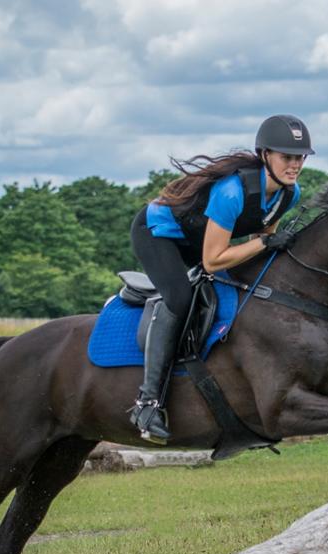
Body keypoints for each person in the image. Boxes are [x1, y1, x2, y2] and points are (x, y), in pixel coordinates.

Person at [128, 114, 313, 443]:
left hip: (200, 238)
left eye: (299, 157)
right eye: (287, 157)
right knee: (181, 297)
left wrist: (268, 247)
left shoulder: (290, 193)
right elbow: (214, 261)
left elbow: (260, 240)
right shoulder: (231, 192)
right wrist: (265, 242)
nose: (294, 164)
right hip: (159, 233)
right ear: (264, 156)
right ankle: (147, 403)